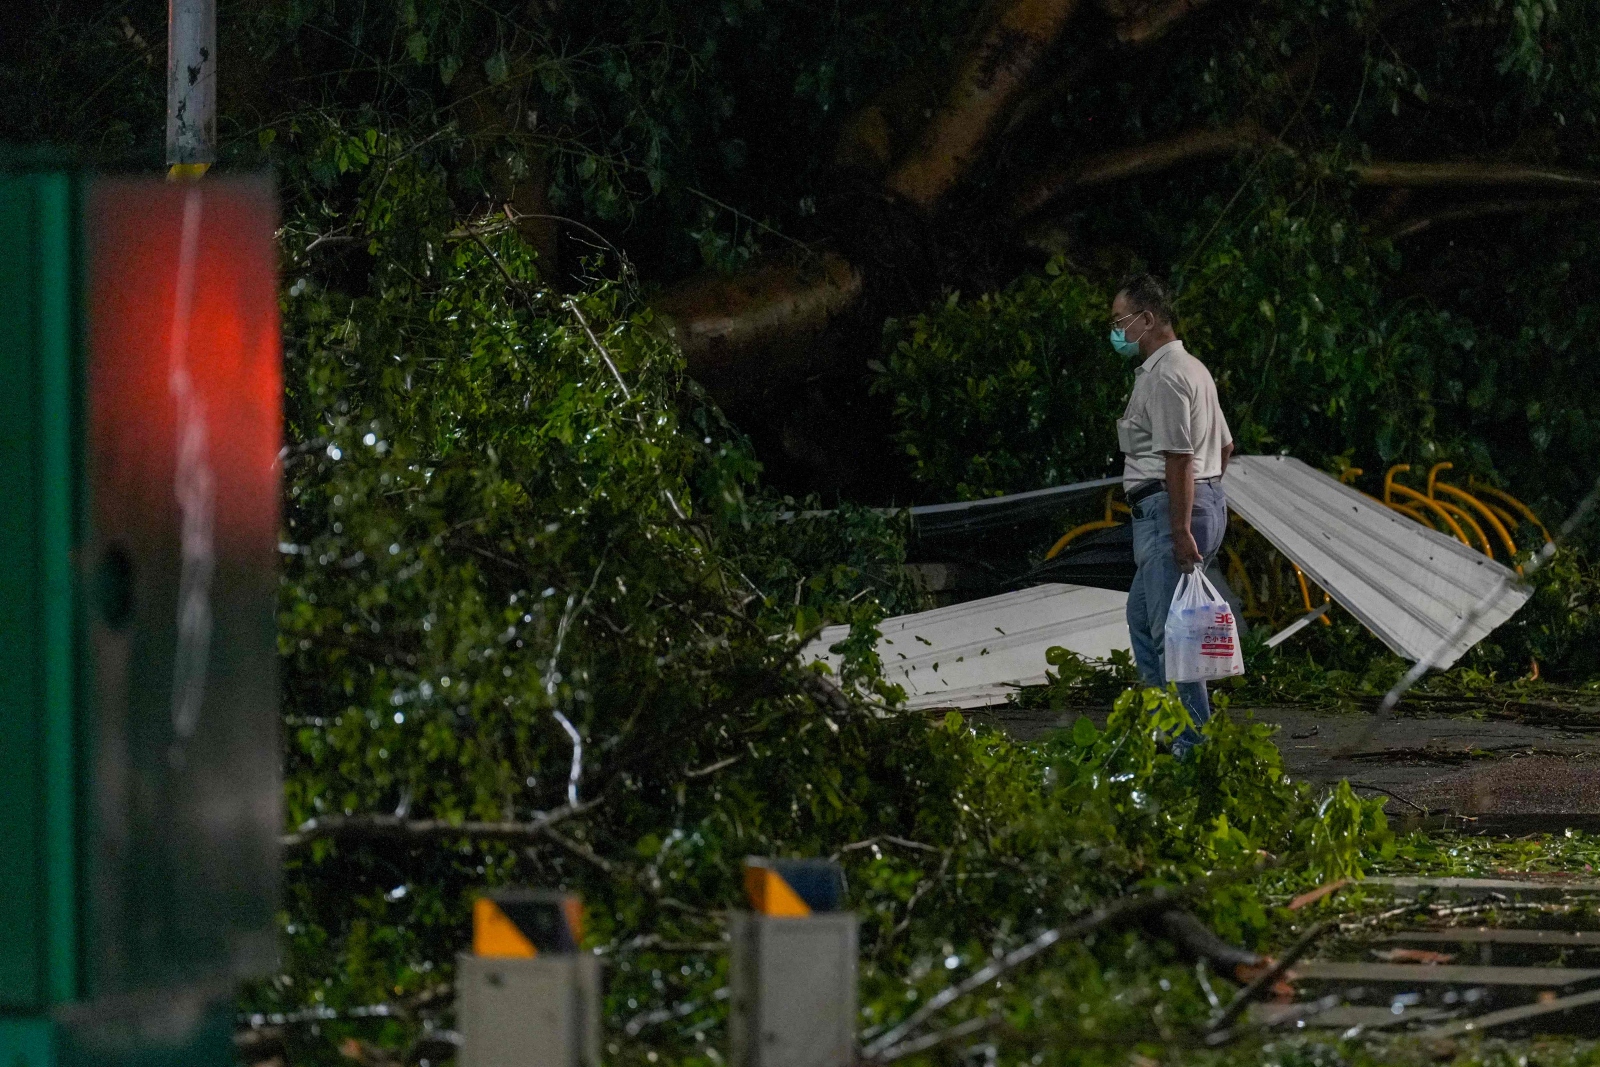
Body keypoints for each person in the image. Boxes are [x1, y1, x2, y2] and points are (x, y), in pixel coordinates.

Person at [1110, 274, 1233, 758]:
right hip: (1194, 502)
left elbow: (1179, 457)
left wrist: (1181, 527)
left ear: (1147, 319)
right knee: (1142, 616)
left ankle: (1194, 747)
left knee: (1171, 635)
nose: (1117, 332)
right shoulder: (1193, 369)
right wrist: (1203, 495)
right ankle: (1165, 729)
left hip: (1169, 512)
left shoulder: (1165, 376)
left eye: (1121, 322)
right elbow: (1223, 447)